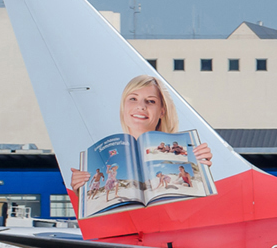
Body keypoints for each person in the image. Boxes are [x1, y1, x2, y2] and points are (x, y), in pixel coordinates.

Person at [70, 76, 212, 189]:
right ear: (123, 107)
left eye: (150, 101)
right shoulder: (101, 155)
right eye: (133, 99)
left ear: (162, 111)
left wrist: (203, 170)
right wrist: (80, 192)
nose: (140, 106)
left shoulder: (185, 149)